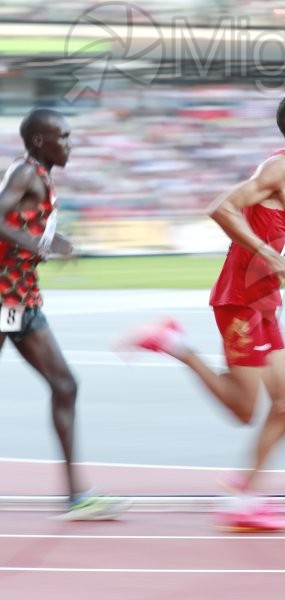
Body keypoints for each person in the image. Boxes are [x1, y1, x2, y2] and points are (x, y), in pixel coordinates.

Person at [119, 92, 285, 531]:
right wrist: (268, 250)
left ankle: (245, 496)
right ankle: (174, 343)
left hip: (263, 302)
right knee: (245, 409)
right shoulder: (279, 167)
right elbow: (220, 208)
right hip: (240, 302)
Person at [0, 108, 127, 520]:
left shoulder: (40, 177)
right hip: (4, 301)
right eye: (64, 136)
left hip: (22, 300)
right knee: (65, 384)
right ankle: (75, 496)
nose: (70, 144)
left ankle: (76, 497)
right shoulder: (25, 173)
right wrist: (37, 247)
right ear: (40, 141)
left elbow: (26, 228)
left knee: (65, 385)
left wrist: (58, 243)